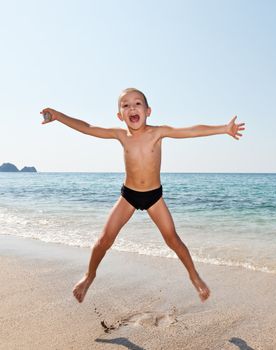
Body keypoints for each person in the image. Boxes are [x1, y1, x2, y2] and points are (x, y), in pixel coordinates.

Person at [41, 88, 245, 303]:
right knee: (104, 240)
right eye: (126, 105)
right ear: (120, 115)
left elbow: (190, 131)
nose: (132, 108)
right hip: (129, 196)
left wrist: (224, 128)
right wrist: (58, 116)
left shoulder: (157, 133)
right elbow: (88, 128)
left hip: (154, 196)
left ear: (148, 111)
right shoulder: (120, 135)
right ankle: (88, 276)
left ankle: (194, 276)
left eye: (137, 104)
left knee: (173, 239)